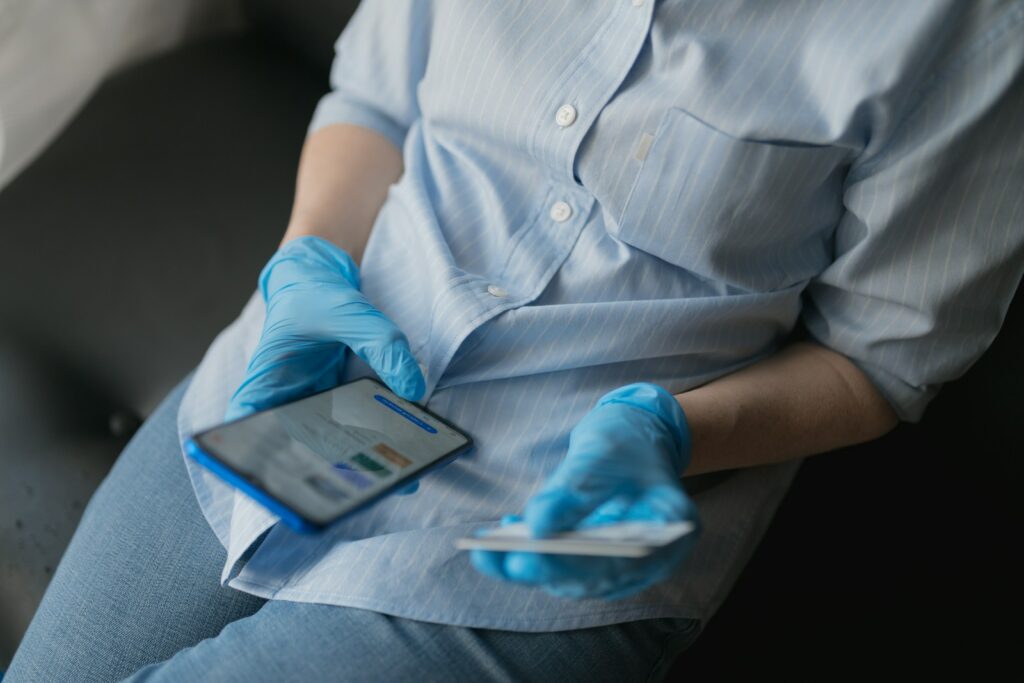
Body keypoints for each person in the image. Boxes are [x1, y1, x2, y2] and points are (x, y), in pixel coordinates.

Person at [7, 1, 1023, 681]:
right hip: (308, 387)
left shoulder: (969, 30)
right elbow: (372, 96)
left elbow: (879, 356)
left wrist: (668, 432)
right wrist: (307, 265)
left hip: (543, 541)